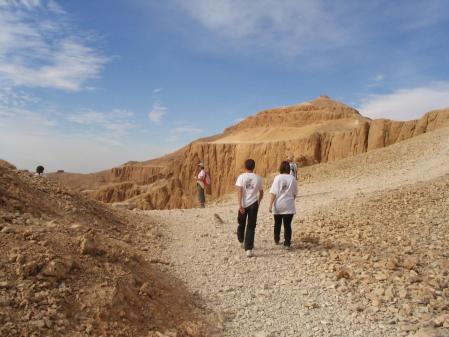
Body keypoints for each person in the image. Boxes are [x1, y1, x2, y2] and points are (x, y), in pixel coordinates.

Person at [235, 159, 264, 257]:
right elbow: (261, 192)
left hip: (243, 204)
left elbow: (239, 191)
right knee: (251, 226)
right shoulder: (258, 178)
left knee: (241, 223)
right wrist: (258, 203)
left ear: (245, 166)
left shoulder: (241, 177)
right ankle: (248, 249)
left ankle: (241, 241)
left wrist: (240, 205)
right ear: (254, 167)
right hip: (253, 204)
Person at [269, 160, 297, 248]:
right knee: (287, 225)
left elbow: (273, 192)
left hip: (278, 204)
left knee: (277, 223)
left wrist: (270, 205)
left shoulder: (277, 178)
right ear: (289, 169)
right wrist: (291, 200)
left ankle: (276, 239)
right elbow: (294, 193)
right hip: (288, 205)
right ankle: (287, 243)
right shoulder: (292, 178)